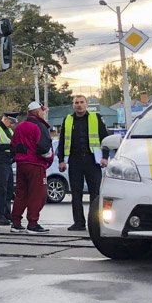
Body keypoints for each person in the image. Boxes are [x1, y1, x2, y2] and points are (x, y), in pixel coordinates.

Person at [58, 95, 110, 231]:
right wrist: (61, 160)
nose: (79, 105)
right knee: (76, 193)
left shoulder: (95, 118)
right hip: (75, 161)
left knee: (95, 193)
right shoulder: (68, 120)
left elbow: (105, 138)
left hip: (92, 160)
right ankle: (79, 223)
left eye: (81, 102)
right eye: (76, 103)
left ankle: (95, 223)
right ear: (73, 105)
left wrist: (105, 157)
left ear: (86, 104)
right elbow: (62, 141)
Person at [9, 101, 54, 233]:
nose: (43, 113)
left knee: (21, 194)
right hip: (36, 164)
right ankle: (32, 223)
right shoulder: (39, 126)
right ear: (37, 112)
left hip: (21, 164)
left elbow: (13, 146)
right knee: (37, 194)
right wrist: (49, 158)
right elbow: (44, 148)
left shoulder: (20, 126)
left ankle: (15, 222)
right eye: (42, 111)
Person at [0, 111, 18, 225]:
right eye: (11, 122)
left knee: (9, 189)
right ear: (5, 118)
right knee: (2, 189)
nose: (12, 124)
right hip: (0, 162)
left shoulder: (9, 130)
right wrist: (10, 147)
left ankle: (6, 214)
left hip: (8, 162)